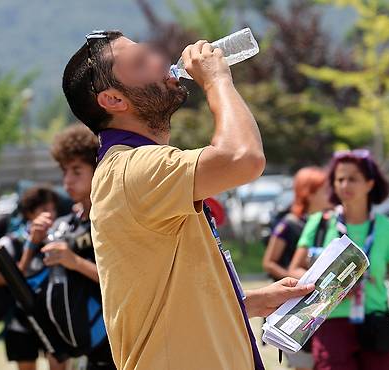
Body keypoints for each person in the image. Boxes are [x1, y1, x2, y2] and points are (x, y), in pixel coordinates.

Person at [61, 30, 314, 370]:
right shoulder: (132, 169)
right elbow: (243, 157)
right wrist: (217, 81)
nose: (160, 60)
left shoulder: (136, 166)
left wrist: (246, 303)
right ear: (114, 100)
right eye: (141, 61)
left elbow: (165, 299)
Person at [289, 150, 389, 370]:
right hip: (330, 324)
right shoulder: (320, 223)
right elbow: (295, 270)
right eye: (340, 179)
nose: (345, 185)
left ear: (370, 184)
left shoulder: (387, 229)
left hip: (375, 325)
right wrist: (333, 285)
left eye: (352, 179)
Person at [18, 125, 116, 370]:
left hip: (116, 345)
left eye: (76, 171)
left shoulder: (112, 219)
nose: (67, 181)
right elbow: (21, 278)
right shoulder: (67, 224)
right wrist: (34, 240)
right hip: (83, 348)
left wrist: (74, 261)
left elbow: (122, 281)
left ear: (99, 170)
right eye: (64, 172)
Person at [0, 186, 60, 370]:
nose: (51, 215)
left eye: (53, 209)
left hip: (52, 318)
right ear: (30, 213)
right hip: (19, 319)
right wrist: (15, 279)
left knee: (59, 365)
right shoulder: (12, 241)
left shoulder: (60, 238)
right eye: (44, 210)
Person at [262, 166, 330, 370]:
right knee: (303, 361)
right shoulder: (289, 224)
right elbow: (269, 262)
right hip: (296, 305)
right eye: (325, 189)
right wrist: (299, 283)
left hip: (319, 303)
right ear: (308, 192)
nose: (332, 194)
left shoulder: (328, 223)